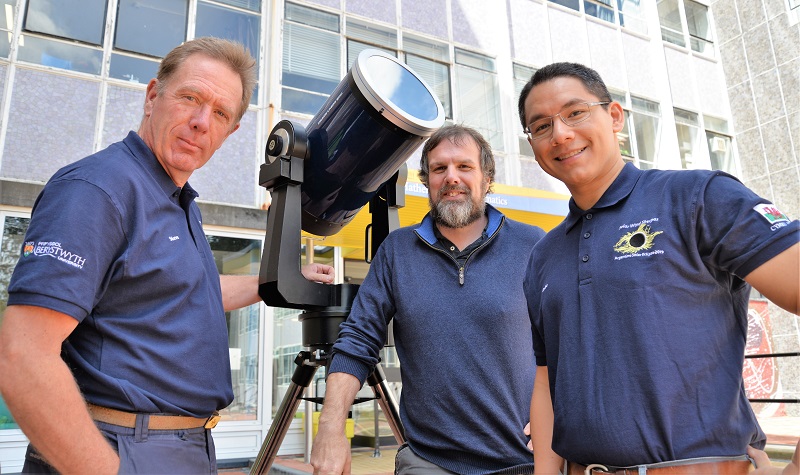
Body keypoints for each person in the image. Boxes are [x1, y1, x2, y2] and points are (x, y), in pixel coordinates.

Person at [0, 37, 333, 474]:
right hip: (121, 447)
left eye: (219, 113)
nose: (200, 122)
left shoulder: (178, 201)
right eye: (190, 98)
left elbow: (188, 290)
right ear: (153, 95)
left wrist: (277, 278)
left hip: (183, 447)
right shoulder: (99, 190)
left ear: (230, 132)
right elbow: (23, 355)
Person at [517, 62, 800, 475]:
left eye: (575, 112)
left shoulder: (698, 197)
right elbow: (546, 381)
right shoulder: (543, 255)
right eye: (540, 126)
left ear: (614, 117)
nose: (560, 133)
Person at [310, 124, 545, 475]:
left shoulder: (532, 244)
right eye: (439, 168)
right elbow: (357, 340)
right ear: (427, 181)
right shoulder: (397, 251)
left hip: (523, 460)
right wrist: (330, 427)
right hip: (429, 462)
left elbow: (569, 341)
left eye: (464, 166)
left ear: (487, 178)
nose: (451, 177)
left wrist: (561, 419)